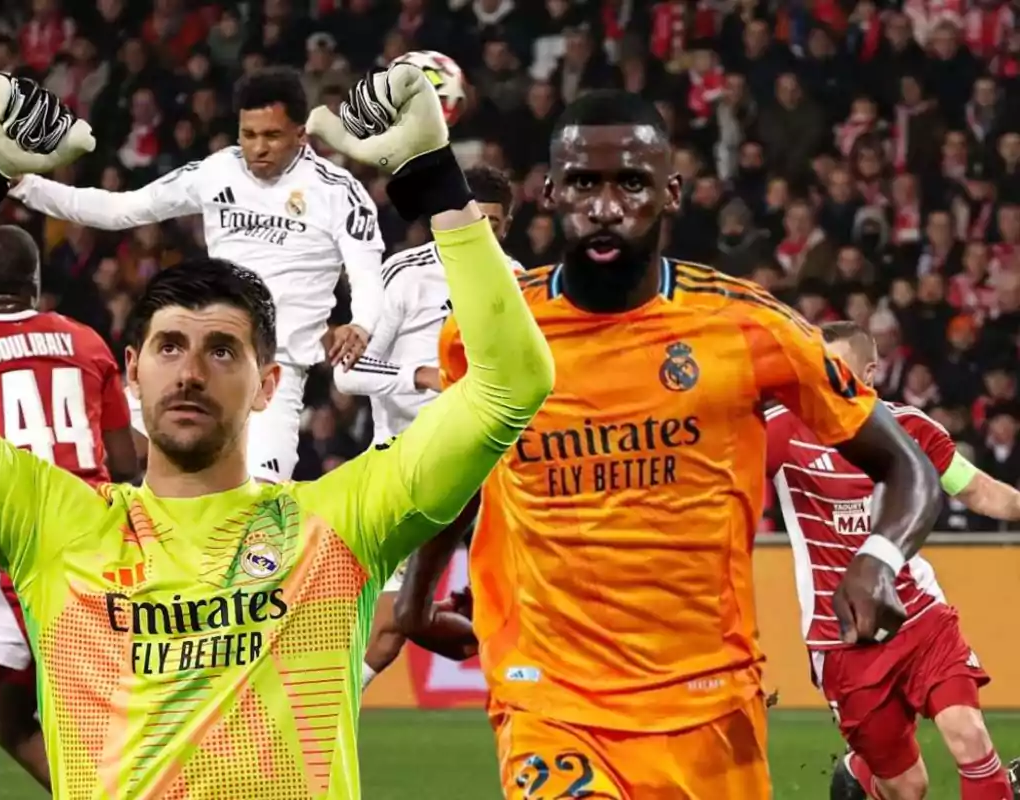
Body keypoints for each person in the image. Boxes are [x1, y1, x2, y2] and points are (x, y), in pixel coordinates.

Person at [0, 69, 551, 798]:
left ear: (269, 383)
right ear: (130, 374)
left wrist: (437, 181)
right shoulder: (53, 526)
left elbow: (513, 384)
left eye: (222, 351)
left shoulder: (337, 526)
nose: (190, 373)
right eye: (170, 347)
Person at [400, 89, 943, 799]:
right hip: (549, 701)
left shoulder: (749, 328)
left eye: (630, 182)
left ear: (672, 192)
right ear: (552, 191)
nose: (605, 206)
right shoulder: (488, 333)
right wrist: (414, 599)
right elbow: (458, 476)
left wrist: (876, 559)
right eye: (584, 184)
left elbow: (908, 467)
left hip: (710, 706)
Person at [10, 66, 385, 483]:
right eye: (248, 134)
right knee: (110, 452)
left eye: (272, 136)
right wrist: (26, 186)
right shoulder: (216, 172)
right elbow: (121, 209)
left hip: (271, 374)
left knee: (257, 507)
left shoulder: (338, 191)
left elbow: (367, 268)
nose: (257, 148)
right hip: (203, 352)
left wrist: (362, 323)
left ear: (301, 134)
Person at [0, 224, 138, 799]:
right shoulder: (87, 342)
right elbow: (125, 462)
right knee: (6, 716)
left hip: (22, 546)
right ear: (36, 283)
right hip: (100, 544)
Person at [767, 321, 1020, 800]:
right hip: (842, 637)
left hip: (920, 617)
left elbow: (977, 490)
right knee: (908, 786)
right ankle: (859, 775)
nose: (825, 381)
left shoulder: (912, 428)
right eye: (817, 369)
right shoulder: (782, 430)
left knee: (970, 737)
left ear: (869, 372)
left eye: (837, 370)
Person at [331, 164, 521, 689]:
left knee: (397, 626)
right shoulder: (407, 273)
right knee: (389, 621)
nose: (484, 235)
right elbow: (347, 373)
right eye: (473, 221)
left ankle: (311, 736)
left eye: (495, 224)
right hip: (402, 465)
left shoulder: (520, 283)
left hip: (484, 478)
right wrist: (423, 376)